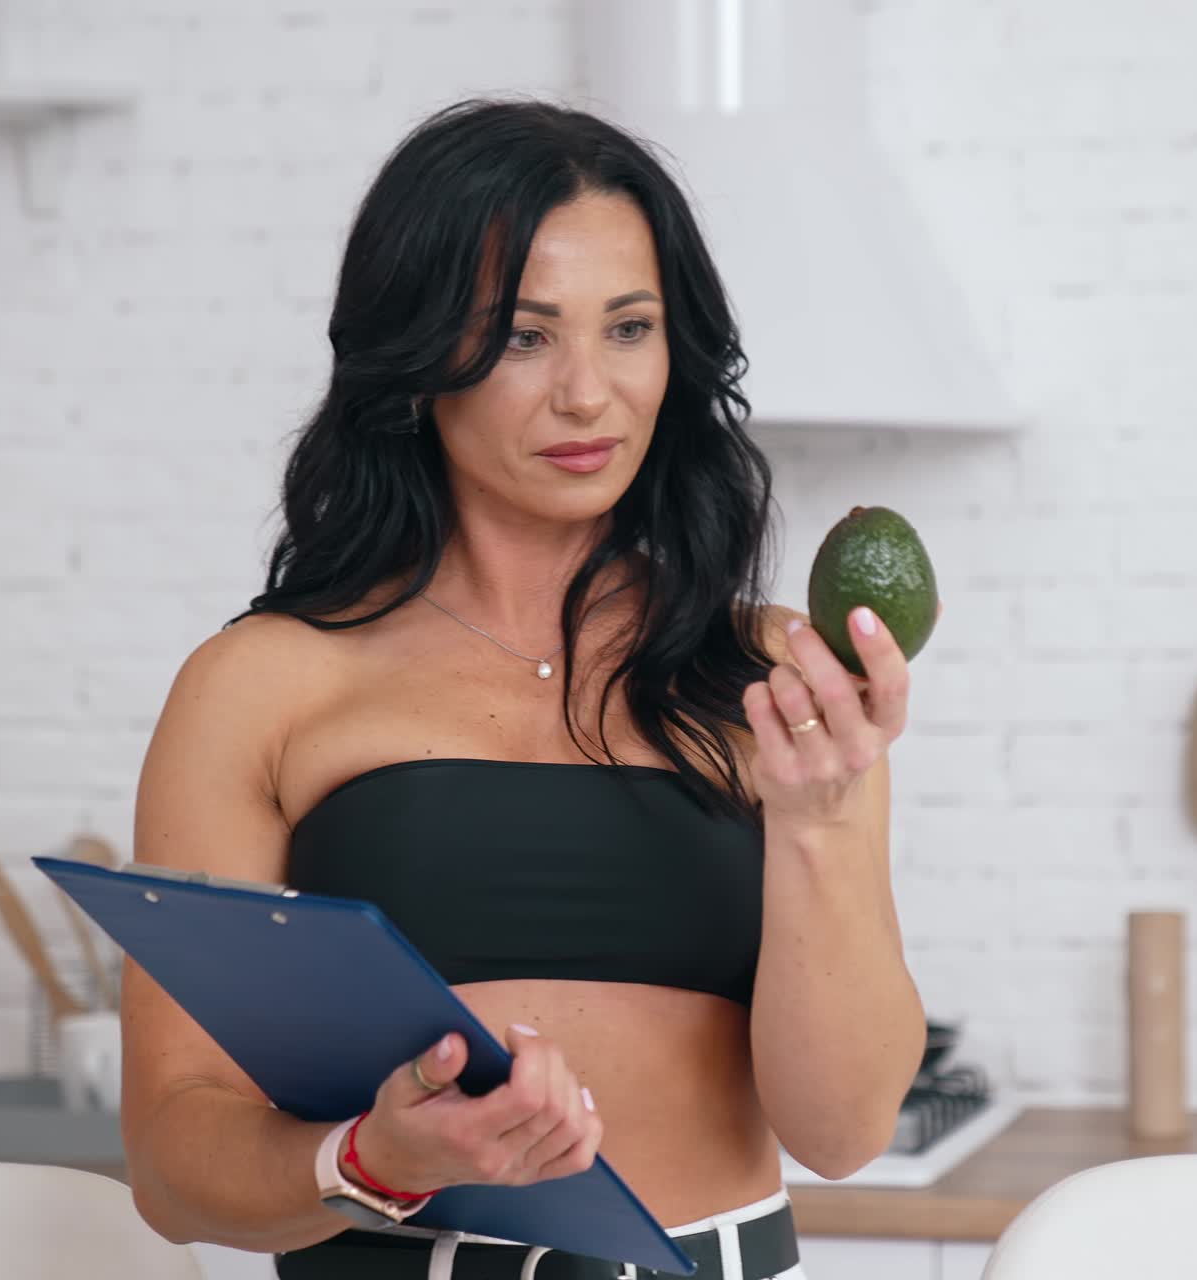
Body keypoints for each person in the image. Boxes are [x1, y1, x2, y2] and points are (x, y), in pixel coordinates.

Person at [120, 97, 931, 1280]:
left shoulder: (775, 678)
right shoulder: (259, 684)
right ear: (413, 362)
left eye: (629, 327)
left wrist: (817, 818)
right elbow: (170, 1158)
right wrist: (371, 1156)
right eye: (520, 336)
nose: (588, 395)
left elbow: (843, 1127)